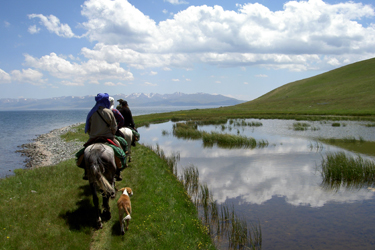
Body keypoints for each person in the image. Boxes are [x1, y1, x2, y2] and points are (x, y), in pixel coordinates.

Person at [80, 93, 126, 180]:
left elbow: (88, 127)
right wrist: (112, 133)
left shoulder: (91, 112)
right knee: (120, 151)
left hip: (93, 137)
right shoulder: (109, 111)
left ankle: (86, 172)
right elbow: (114, 127)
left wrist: (93, 134)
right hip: (108, 137)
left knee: (83, 152)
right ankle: (118, 171)